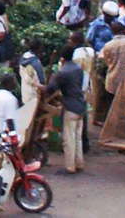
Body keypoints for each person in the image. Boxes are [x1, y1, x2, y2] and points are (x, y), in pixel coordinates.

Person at [50, 38, 88, 175]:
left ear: (62, 57)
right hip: (80, 104)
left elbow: (50, 88)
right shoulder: (78, 69)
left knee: (69, 139)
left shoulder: (63, 72)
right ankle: (79, 163)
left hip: (70, 106)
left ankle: (70, 166)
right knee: (77, 137)